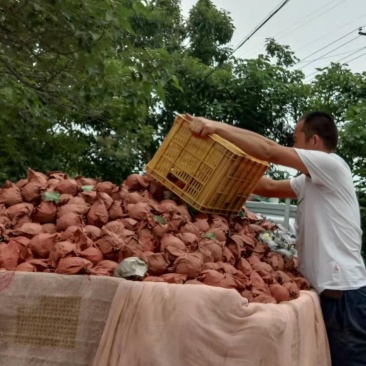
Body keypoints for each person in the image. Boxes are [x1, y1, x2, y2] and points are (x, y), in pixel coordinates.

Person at [186, 111, 366, 366]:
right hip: (332, 295)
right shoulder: (309, 181)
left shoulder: (331, 165)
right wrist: (216, 165)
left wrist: (216, 127)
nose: (293, 147)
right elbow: (266, 187)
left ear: (314, 142)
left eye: (295, 140)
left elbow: (269, 151)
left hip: (344, 296)